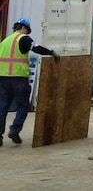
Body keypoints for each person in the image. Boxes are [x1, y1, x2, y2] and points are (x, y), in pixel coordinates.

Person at [0, 18, 60, 146]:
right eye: (27, 30)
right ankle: (14, 130)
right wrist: (51, 53)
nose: (27, 32)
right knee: (23, 105)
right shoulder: (24, 39)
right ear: (23, 28)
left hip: (3, 78)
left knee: (2, 106)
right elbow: (36, 48)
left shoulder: (5, 41)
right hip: (18, 78)